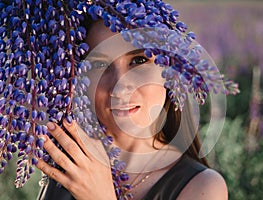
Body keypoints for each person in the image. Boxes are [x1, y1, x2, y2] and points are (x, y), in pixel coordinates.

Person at [35, 2, 230, 200]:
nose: (120, 87)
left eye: (138, 61)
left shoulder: (203, 186)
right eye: (100, 64)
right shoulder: (69, 163)